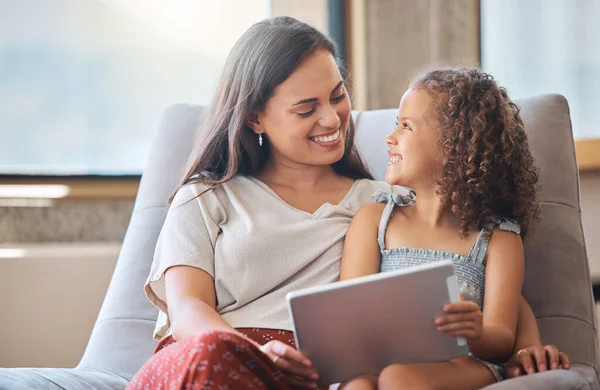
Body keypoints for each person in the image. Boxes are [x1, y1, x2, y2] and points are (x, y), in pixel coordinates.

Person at [127, 18, 569, 390]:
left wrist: (525, 345)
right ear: (255, 117)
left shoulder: (384, 205)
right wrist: (256, 353)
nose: (331, 118)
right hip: (214, 357)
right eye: (306, 109)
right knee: (209, 355)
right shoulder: (205, 198)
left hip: (314, 373)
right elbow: (187, 308)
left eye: (337, 96)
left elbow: (471, 272)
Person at [339, 68, 567, 389]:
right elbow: (348, 312)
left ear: (453, 143)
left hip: (466, 364)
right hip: (386, 359)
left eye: (406, 126)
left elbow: (502, 339)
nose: (390, 138)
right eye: (396, 125)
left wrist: (474, 333)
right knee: (357, 384)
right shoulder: (373, 221)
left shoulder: (498, 239)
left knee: (397, 379)